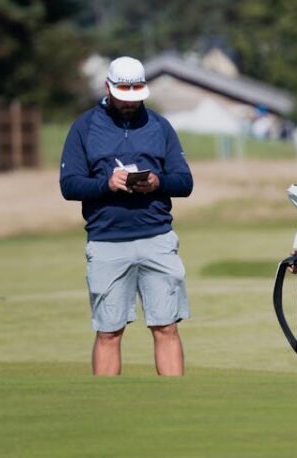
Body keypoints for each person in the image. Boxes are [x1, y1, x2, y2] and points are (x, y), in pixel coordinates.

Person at [59, 56, 194, 376]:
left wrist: (157, 182)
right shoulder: (84, 127)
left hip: (157, 238)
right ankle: (109, 406)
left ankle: (176, 404)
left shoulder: (159, 126)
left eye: (136, 94)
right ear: (107, 87)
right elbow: (69, 185)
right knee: (108, 331)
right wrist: (107, 184)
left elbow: (184, 182)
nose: (130, 103)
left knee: (166, 327)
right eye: (123, 94)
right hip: (106, 241)